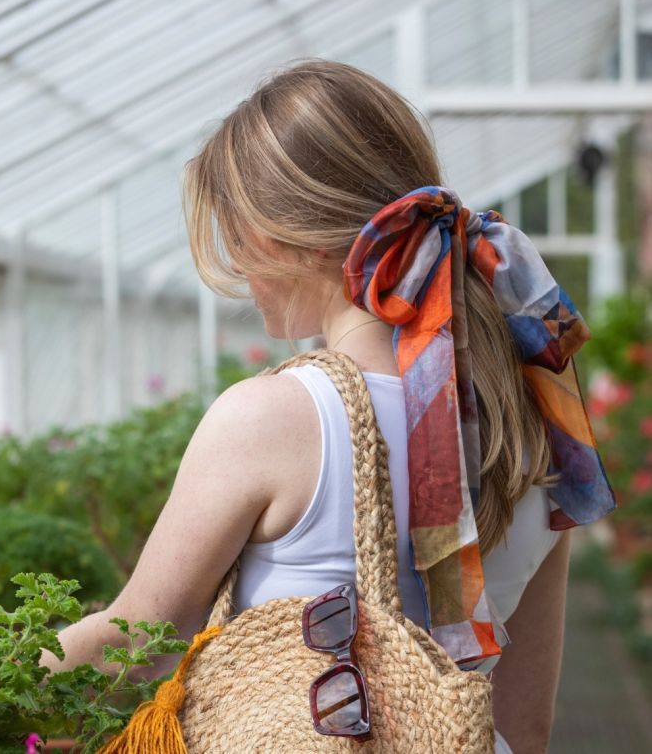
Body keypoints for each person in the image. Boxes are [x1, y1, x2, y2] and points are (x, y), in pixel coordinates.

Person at [40, 59, 616, 753]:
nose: (241, 271)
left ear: (293, 240)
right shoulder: (541, 420)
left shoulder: (277, 418)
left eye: (238, 234)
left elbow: (135, 641)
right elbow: (525, 729)